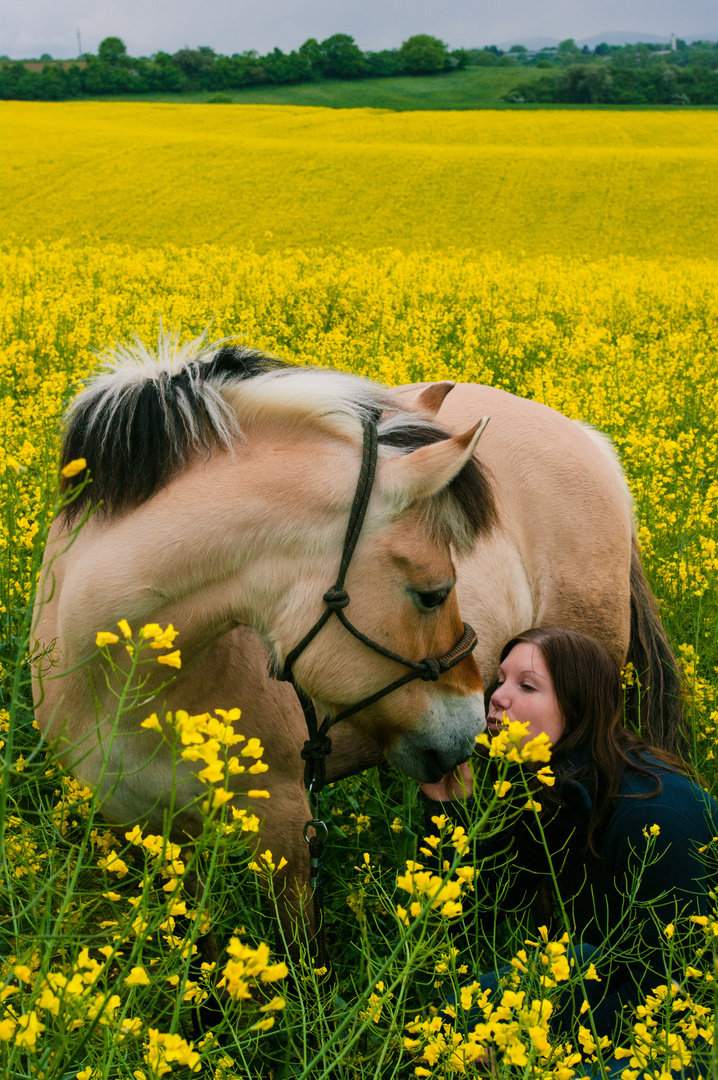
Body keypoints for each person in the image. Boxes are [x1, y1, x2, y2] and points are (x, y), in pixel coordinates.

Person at [419, 626, 717, 1069]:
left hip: (688, 1010)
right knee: (448, 1024)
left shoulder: (656, 815)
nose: (497, 697)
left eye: (527, 686)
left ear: (578, 708)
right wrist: (448, 811)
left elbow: (671, 992)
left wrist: (526, 1048)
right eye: (500, 680)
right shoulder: (549, 788)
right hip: (615, 968)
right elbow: (489, 903)